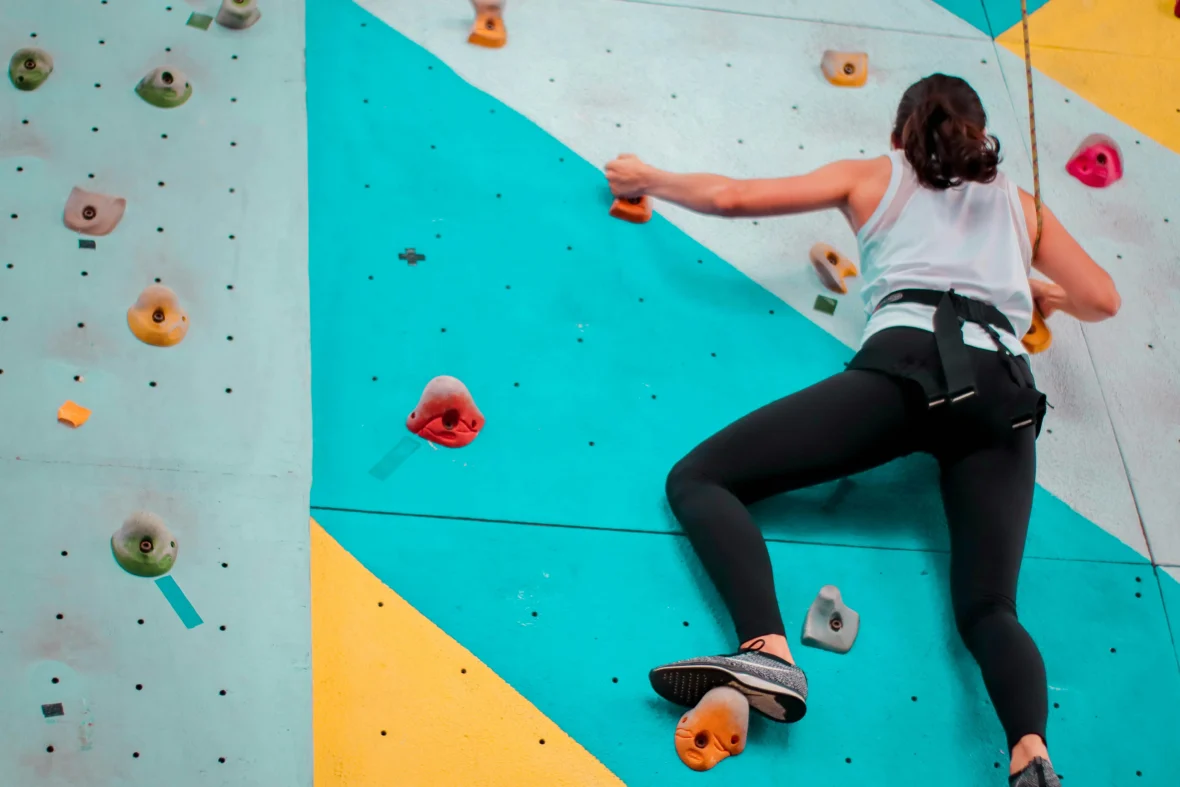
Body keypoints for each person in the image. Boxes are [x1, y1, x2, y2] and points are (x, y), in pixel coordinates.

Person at [604, 73, 1120, 786]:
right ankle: (1031, 751)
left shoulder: (875, 174)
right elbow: (1102, 298)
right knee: (990, 607)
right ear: (977, 137)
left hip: (907, 373)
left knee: (700, 478)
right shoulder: (1020, 207)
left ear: (898, 135)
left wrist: (651, 177)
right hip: (1004, 395)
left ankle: (767, 649)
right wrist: (1032, 284)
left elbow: (732, 198)